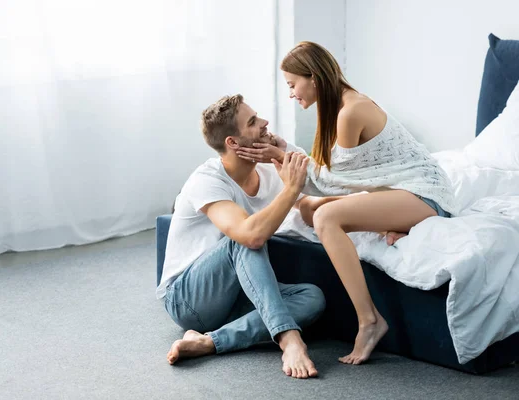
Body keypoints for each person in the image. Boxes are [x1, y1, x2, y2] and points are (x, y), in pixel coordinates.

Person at [236, 41, 455, 365]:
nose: (292, 94)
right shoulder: (338, 107)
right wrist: (284, 152)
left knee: (325, 217)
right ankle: (399, 225)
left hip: (426, 193)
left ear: (313, 77)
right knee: (309, 208)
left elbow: (328, 181)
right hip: (398, 191)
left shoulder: (350, 112)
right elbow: (331, 173)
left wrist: (280, 157)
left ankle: (369, 320)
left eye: (292, 85)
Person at [157, 94, 326, 379]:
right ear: (232, 143)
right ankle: (289, 338)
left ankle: (209, 342)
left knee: (312, 298)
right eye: (253, 122)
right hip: (188, 299)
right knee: (244, 239)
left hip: (237, 295)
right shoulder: (207, 180)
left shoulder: (267, 170)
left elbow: (313, 196)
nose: (265, 123)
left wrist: (363, 214)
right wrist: (290, 190)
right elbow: (251, 237)